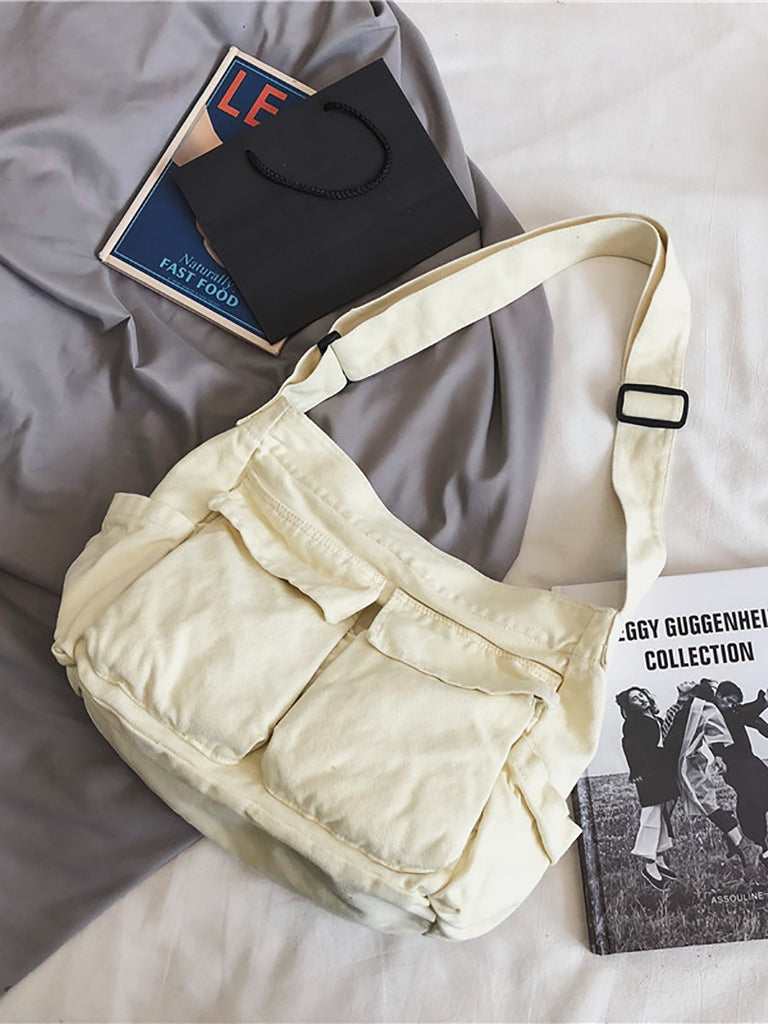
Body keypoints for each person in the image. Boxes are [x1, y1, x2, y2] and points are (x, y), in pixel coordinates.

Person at [662, 679, 748, 866]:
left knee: (706, 803)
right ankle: (659, 856)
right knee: (662, 811)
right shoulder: (674, 709)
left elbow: (715, 731)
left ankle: (742, 845)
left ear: (694, 690)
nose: (687, 680)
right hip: (666, 765)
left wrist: (719, 755)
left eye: (691, 681)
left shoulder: (702, 706)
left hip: (687, 764)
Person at [616, 687, 678, 889]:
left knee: (663, 814)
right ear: (629, 706)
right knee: (651, 815)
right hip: (648, 773)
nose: (641, 699)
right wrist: (637, 770)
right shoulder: (633, 722)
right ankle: (648, 864)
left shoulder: (657, 720)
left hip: (665, 771)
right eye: (635, 699)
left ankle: (659, 857)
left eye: (641, 695)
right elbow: (629, 744)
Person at [713, 681, 768, 862]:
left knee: (759, 797)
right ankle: (757, 844)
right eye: (728, 701)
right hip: (733, 767)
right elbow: (748, 712)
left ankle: (743, 839)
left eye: (735, 703)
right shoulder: (713, 712)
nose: (731, 706)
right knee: (751, 798)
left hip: (750, 761)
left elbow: (754, 719)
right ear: (718, 696)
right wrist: (763, 700)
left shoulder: (734, 713)